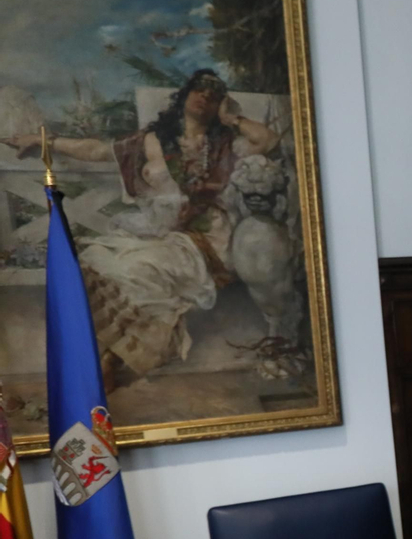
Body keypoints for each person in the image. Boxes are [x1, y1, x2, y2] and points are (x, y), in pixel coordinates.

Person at [3, 69, 281, 383]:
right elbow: (96, 150)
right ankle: (99, 358)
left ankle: (111, 363)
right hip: (155, 232)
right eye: (200, 89)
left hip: (206, 239)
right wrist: (43, 141)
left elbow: (268, 140)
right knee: (94, 260)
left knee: (140, 269)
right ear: (185, 94)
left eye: (214, 94)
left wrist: (233, 119)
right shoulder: (152, 140)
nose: (205, 96)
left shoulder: (226, 144)